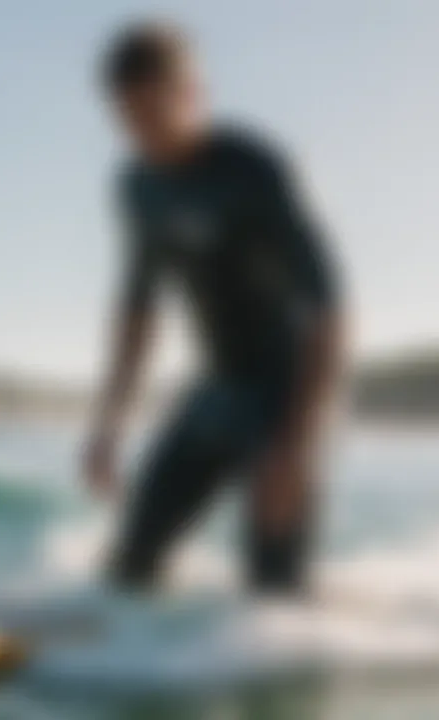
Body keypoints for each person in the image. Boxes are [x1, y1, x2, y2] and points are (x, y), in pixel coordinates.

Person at [83, 22, 344, 594]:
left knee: (273, 597)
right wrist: (108, 426)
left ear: (192, 94)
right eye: (128, 120)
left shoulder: (253, 169)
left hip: (283, 400)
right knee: (129, 569)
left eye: (155, 113)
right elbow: (137, 312)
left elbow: (330, 309)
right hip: (215, 392)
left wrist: (297, 448)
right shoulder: (137, 188)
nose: (143, 134)